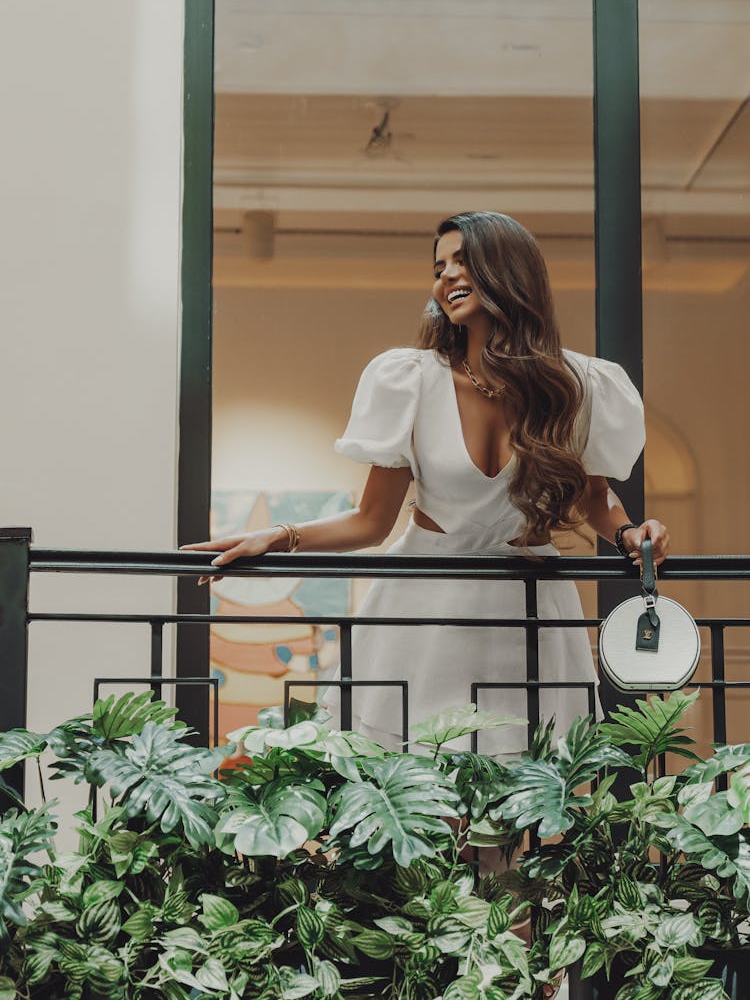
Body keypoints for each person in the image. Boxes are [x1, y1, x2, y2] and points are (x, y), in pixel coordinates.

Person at [183, 211, 669, 757]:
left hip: (528, 609)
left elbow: (593, 493)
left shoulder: (575, 385)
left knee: (514, 804)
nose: (447, 276)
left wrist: (629, 531)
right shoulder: (410, 379)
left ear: (509, 270)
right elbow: (370, 523)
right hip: (420, 609)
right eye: (439, 266)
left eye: (463, 260)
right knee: (421, 790)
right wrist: (279, 537)